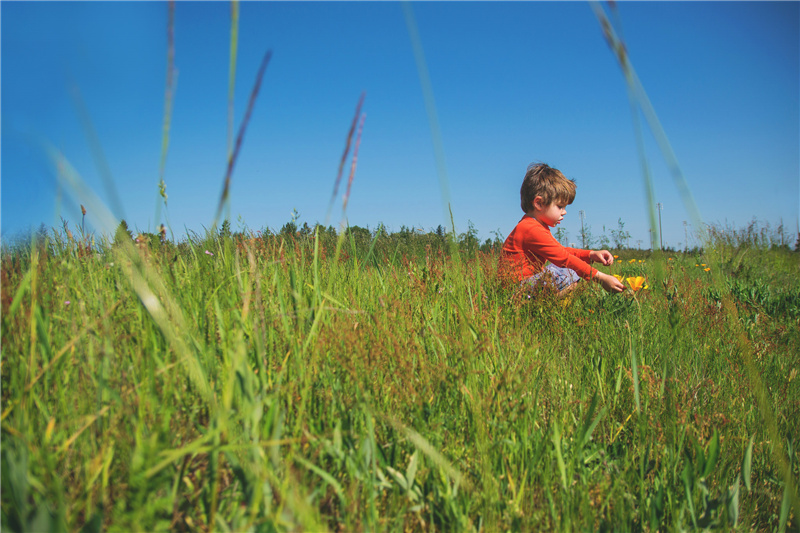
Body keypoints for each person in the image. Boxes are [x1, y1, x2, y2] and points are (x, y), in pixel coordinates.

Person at [502, 162, 625, 296]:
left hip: (521, 286)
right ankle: (536, 308)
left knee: (567, 269)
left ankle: (542, 306)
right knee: (569, 272)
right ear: (539, 203)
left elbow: (560, 252)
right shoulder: (531, 229)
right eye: (560, 206)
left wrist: (590, 255)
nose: (564, 212)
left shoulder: (533, 225)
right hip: (516, 290)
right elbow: (564, 258)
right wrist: (601, 278)